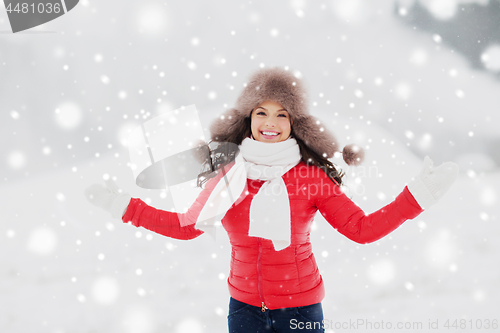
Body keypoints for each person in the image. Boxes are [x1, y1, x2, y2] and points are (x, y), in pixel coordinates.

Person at [85, 67, 459, 333]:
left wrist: (417, 197)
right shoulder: (230, 176)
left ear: (294, 124)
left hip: (301, 313)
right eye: (261, 111)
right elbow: (186, 228)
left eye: (282, 114)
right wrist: (123, 206)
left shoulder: (311, 178)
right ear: (247, 119)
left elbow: (361, 230)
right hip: (244, 311)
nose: (270, 121)